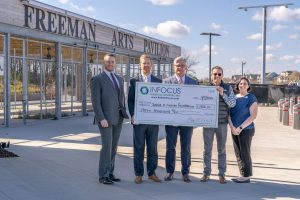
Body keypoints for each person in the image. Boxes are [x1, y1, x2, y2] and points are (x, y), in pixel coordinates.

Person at [90, 53, 128, 185]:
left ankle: (110, 173)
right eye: (108, 62)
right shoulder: (97, 79)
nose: (110, 64)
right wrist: (101, 118)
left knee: (114, 147)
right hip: (105, 119)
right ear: (104, 63)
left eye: (112, 62)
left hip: (118, 117)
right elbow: (95, 101)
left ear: (115, 63)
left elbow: (121, 97)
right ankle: (103, 175)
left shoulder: (119, 78)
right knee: (107, 146)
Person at [127, 54, 162, 184]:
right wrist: (132, 115)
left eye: (148, 63)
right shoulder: (133, 81)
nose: (146, 65)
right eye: (143, 63)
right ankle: (139, 174)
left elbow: (161, 101)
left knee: (152, 148)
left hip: (153, 121)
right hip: (139, 121)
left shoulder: (158, 81)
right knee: (139, 147)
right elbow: (130, 100)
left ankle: (152, 173)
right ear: (140, 65)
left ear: (151, 65)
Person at [163, 56, 198, 183]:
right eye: (177, 65)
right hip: (171, 121)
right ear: (174, 67)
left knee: (186, 147)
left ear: (186, 67)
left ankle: (185, 173)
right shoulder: (166, 82)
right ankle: (170, 172)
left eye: (182, 65)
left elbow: (196, 101)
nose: (180, 67)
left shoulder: (193, 82)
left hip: (187, 121)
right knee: (170, 147)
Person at [201, 66, 236, 184]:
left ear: (223, 76)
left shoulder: (227, 88)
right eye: (215, 74)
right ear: (211, 75)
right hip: (208, 124)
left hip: (222, 123)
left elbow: (232, 104)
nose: (217, 76)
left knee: (221, 150)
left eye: (219, 74)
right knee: (207, 149)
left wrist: (222, 94)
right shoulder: (205, 88)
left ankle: (222, 174)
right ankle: (206, 173)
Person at [229, 77, 258, 183]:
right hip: (234, 129)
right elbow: (229, 115)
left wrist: (241, 128)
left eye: (245, 83)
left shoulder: (251, 98)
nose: (242, 85)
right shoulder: (233, 98)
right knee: (238, 153)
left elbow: (253, 116)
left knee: (245, 152)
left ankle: (246, 176)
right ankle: (242, 174)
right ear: (237, 85)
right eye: (241, 83)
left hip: (246, 129)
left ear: (248, 86)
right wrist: (232, 128)